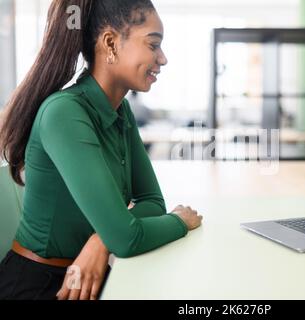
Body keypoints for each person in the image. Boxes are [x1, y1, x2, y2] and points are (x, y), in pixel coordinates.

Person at [0, 0, 202, 300]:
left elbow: (151, 201)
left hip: (89, 276)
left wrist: (100, 240)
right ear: (110, 43)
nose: (163, 59)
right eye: (153, 45)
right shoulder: (65, 113)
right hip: (39, 285)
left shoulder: (120, 112)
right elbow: (127, 237)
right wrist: (179, 221)